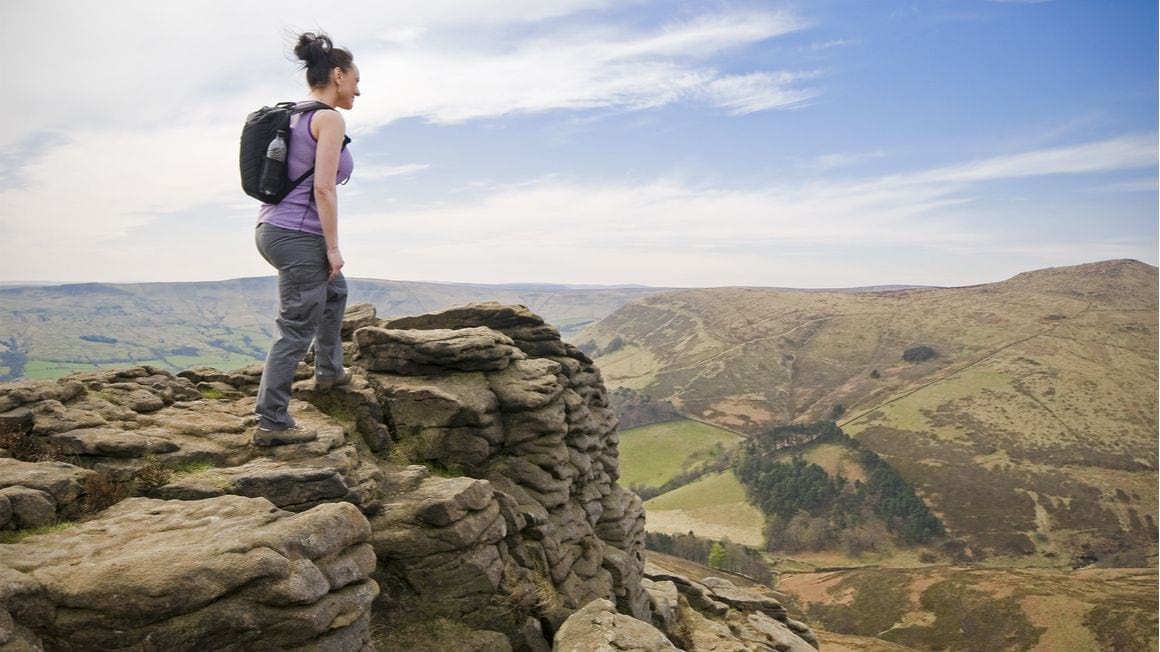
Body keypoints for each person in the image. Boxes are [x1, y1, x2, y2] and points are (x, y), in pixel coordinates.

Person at [253, 32, 360, 445]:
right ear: (337, 75)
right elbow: (323, 188)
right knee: (296, 326)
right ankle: (271, 422)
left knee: (334, 293)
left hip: (273, 228)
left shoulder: (293, 114)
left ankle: (330, 371)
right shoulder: (329, 118)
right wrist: (332, 247)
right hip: (299, 233)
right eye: (354, 80)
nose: (358, 89)